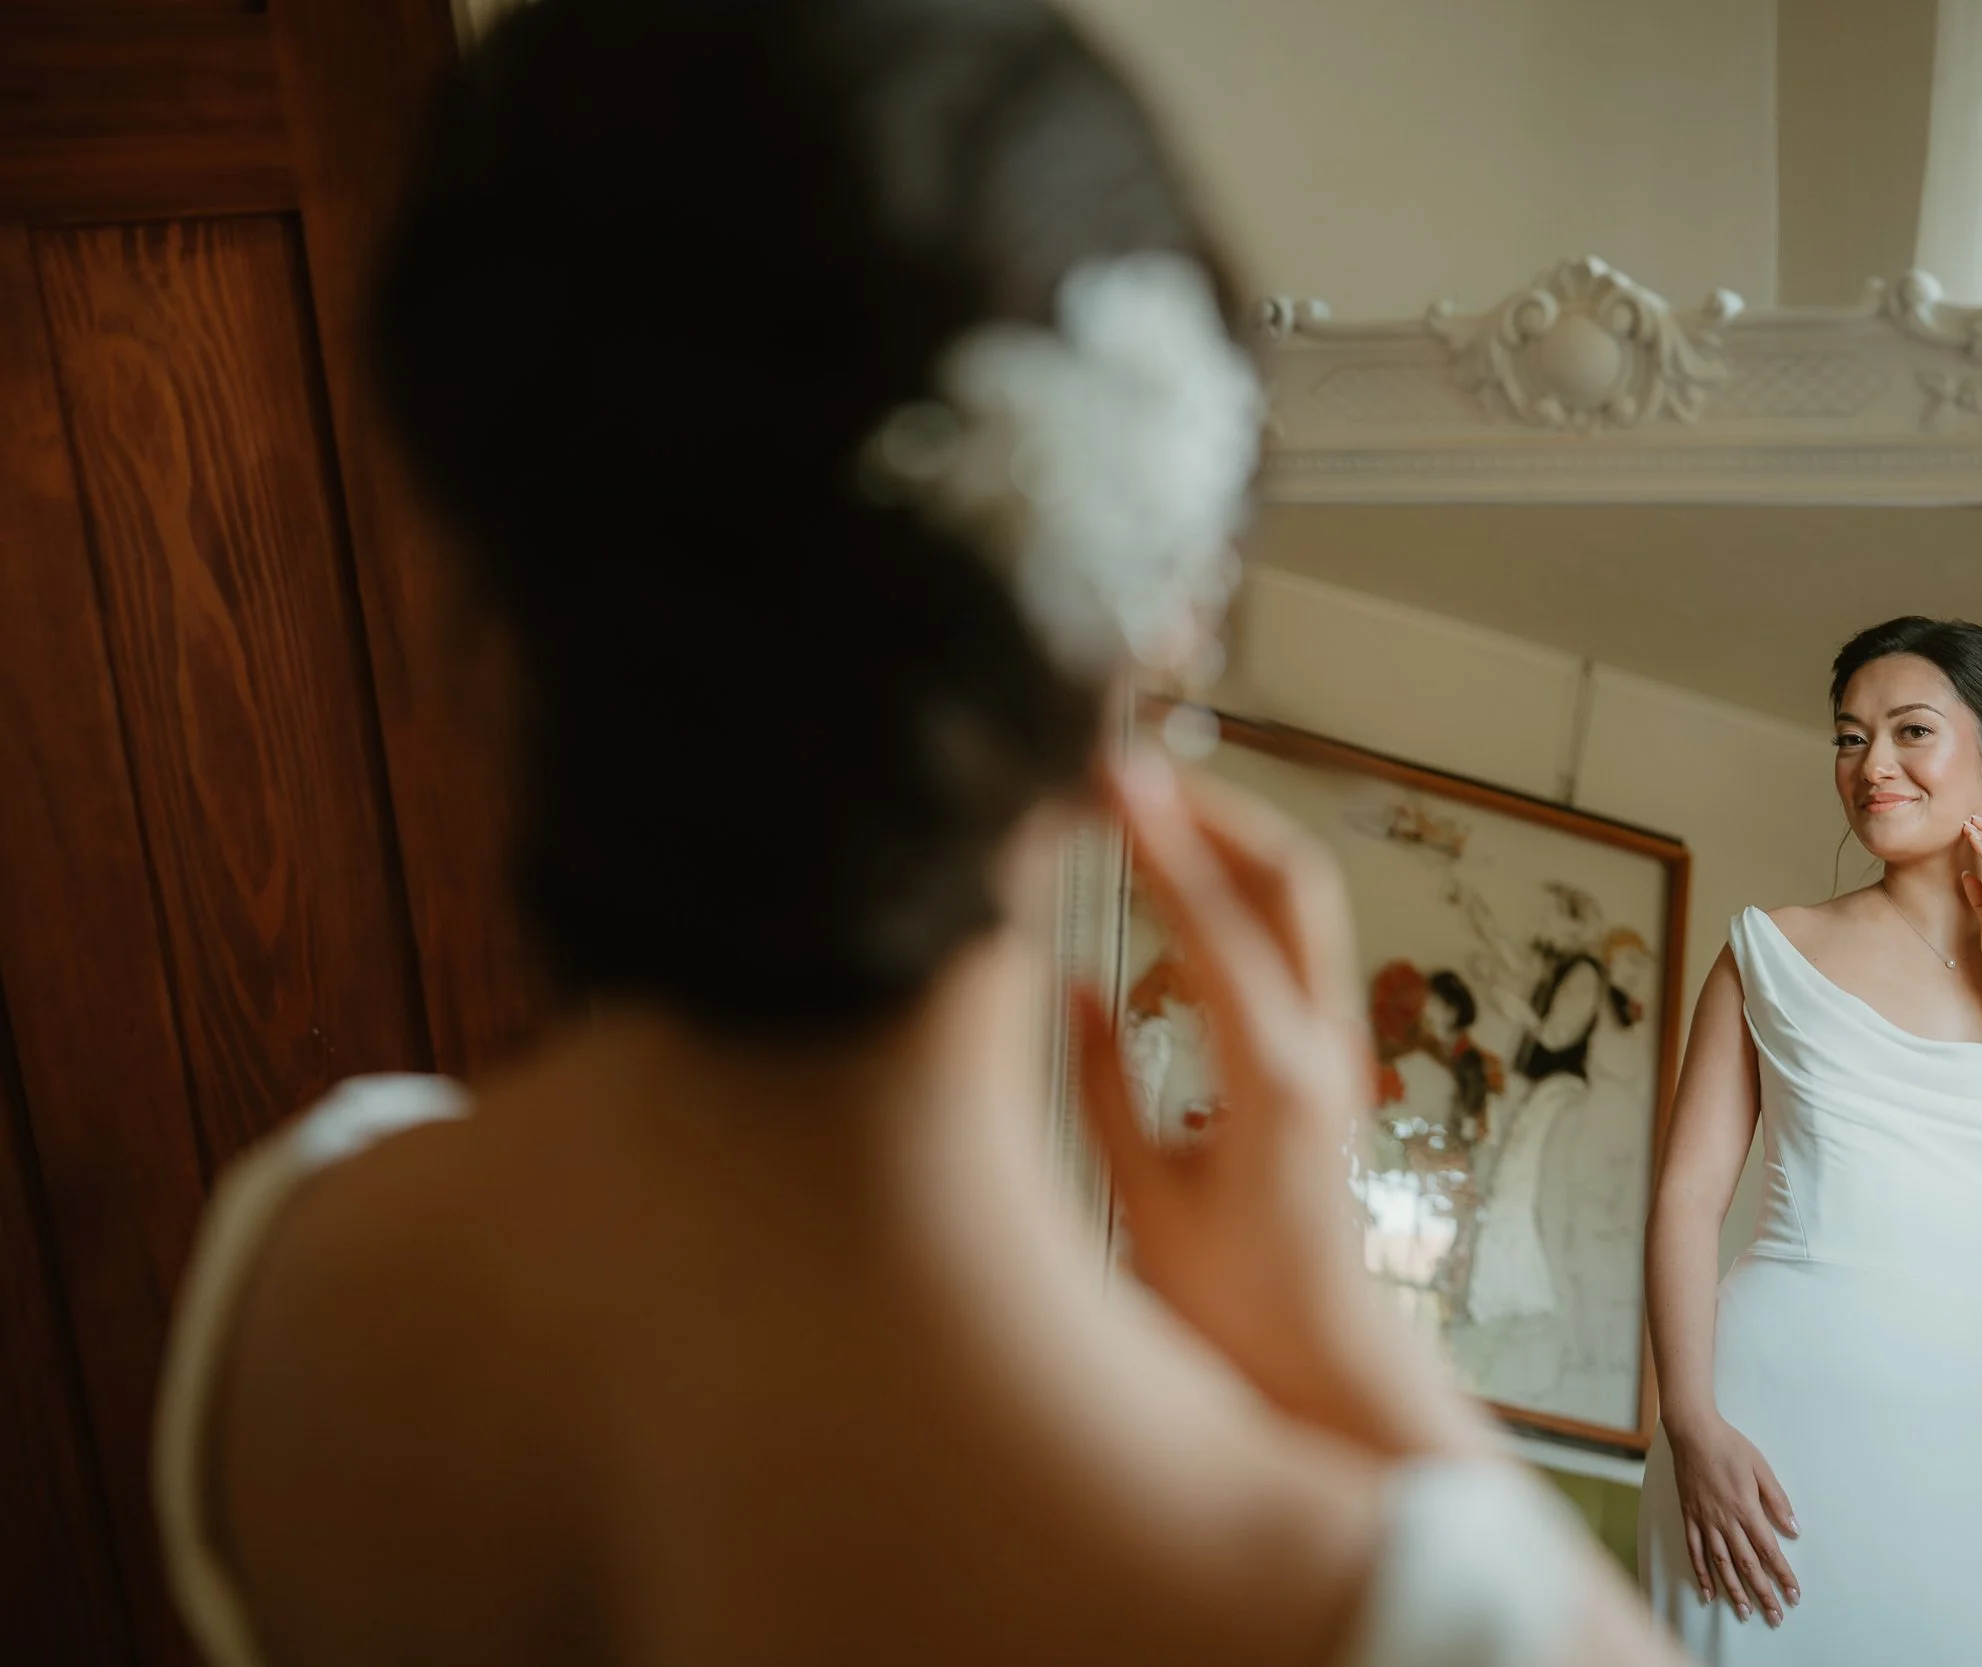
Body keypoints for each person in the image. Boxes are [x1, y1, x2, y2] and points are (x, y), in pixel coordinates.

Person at [146, 4, 1687, 1665]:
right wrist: (1352, 1356)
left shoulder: (290, 1273)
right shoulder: (1370, 1606)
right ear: (1150, 629)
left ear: (490, 567)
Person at [1636, 617, 1982, 1665]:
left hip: (1975, 1458)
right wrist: (1691, 1424)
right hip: (1755, 1437)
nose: (1871, 765)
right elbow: (1683, 1199)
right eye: (1849, 737)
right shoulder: (1770, 949)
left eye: (1910, 731)